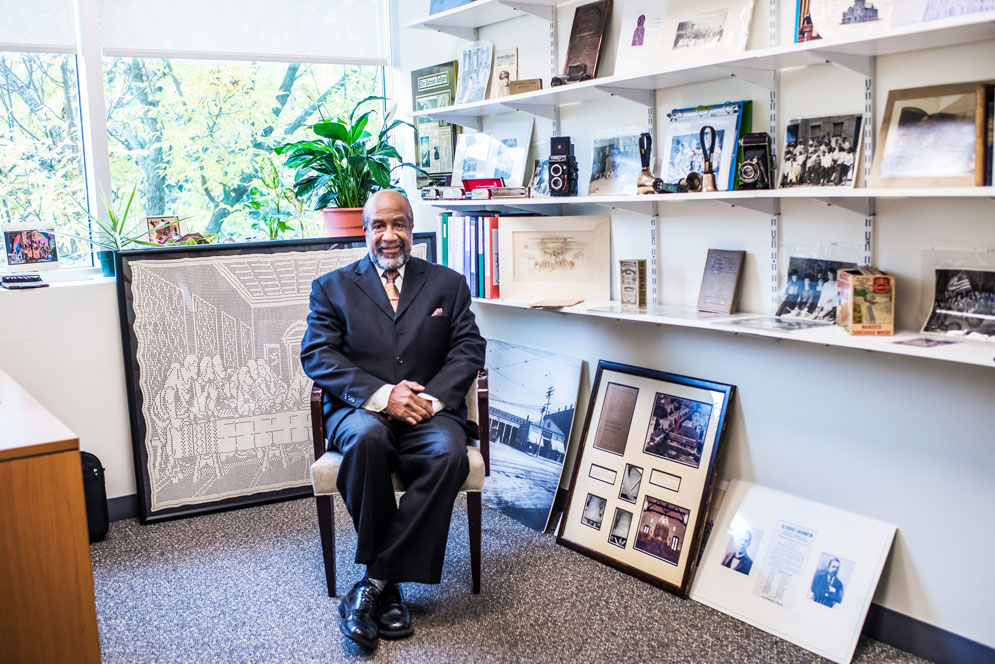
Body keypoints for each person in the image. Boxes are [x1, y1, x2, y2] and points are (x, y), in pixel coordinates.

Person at [301, 189, 486, 650]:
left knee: (449, 455)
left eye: (398, 224)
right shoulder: (332, 287)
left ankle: (375, 583)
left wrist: (434, 402)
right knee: (366, 441)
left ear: (411, 227)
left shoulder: (448, 284)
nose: (389, 236)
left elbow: (469, 349)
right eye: (379, 226)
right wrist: (385, 397)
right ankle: (393, 587)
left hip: (428, 411)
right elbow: (317, 354)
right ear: (364, 231)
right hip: (361, 410)